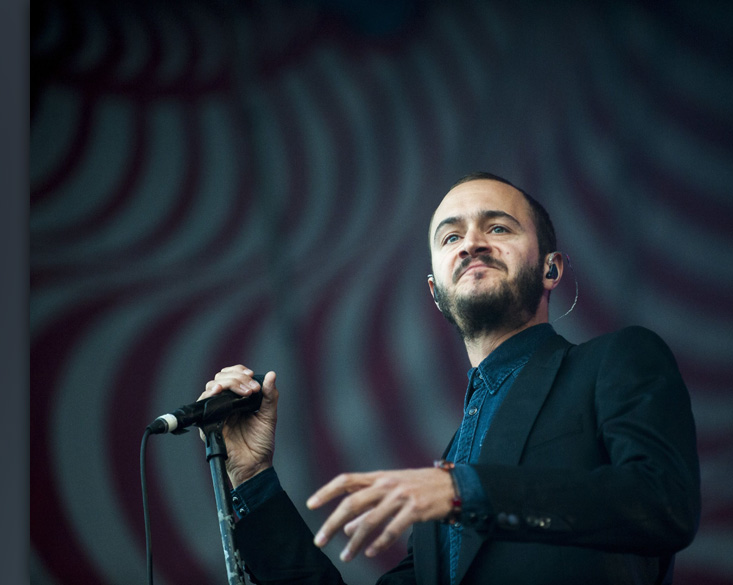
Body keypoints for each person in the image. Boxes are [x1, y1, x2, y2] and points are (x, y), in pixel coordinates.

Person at [200, 172, 701, 585]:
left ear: (551, 268)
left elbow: (662, 502)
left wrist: (465, 492)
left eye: (499, 228)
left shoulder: (615, 361)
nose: (472, 244)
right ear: (435, 291)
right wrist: (252, 478)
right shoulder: (453, 462)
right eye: (451, 236)